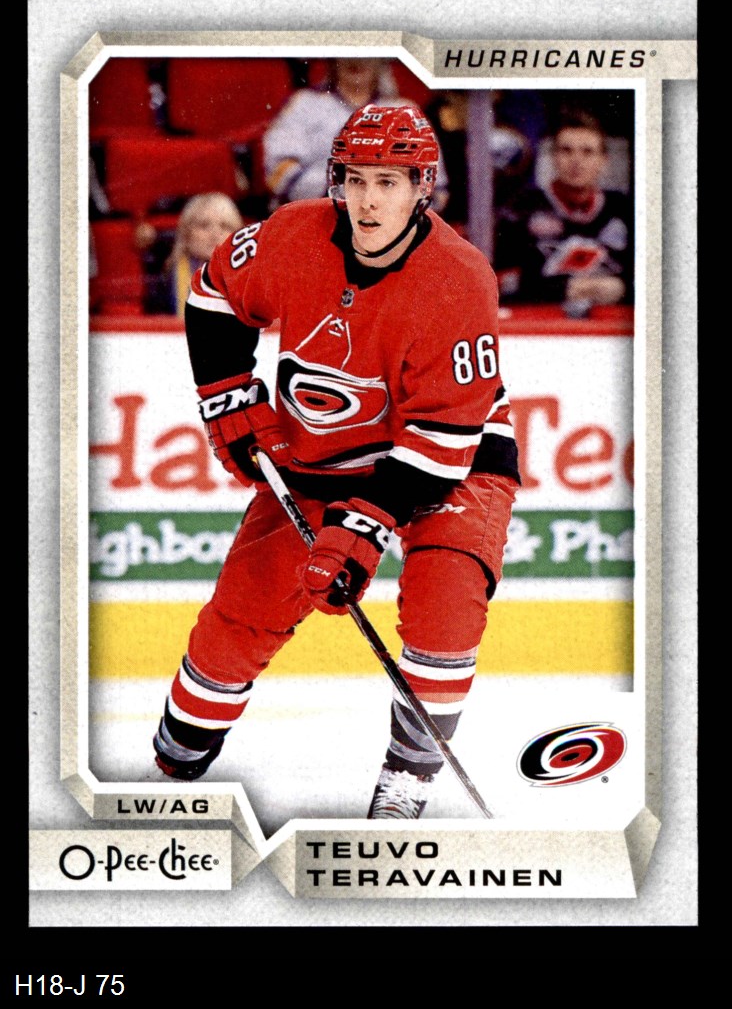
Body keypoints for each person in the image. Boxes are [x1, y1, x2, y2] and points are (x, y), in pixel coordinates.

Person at [151, 104, 520, 820]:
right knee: (239, 617)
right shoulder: (293, 234)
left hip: (455, 457)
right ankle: (174, 764)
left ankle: (407, 780)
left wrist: (361, 529)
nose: (367, 201)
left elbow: (444, 437)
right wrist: (229, 400)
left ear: (422, 187)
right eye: (355, 180)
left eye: (388, 182)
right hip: (325, 447)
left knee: (446, 608)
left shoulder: (459, 278)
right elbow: (214, 295)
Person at [263, 58, 448, 212]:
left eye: (366, 54)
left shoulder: (405, 111)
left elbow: (435, 189)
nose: (356, 60)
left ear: (382, 61)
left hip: (392, 227)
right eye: (349, 53)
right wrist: (346, 194)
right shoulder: (305, 104)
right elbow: (279, 174)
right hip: (316, 215)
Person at [496, 109, 633, 314]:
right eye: (566, 150)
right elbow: (502, 283)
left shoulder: (624, 209)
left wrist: (622, 288)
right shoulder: (521, 207)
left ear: (604, 160)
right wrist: (563, 289)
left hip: (609, 324)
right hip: (541, 325)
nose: (576, 160)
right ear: (553, 157)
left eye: (587, 152)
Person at [138, 193, 244, 315]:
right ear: (186, 233)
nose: (215, 234)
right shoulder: (165, 276)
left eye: (224, 226)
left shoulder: (250, 281)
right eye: (204, 225)